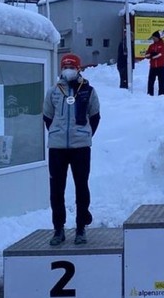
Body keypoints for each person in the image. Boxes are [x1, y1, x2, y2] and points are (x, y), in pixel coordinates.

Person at [43, 54, 101, 246]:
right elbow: (47, 117)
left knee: (81, 186)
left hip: (81, 147)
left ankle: (81, 227)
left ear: (78, 69)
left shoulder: (88, 90)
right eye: (65, 66)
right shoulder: (53, 91)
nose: (68, 69)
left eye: (72, 66)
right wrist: (57, 133)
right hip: (57, 147)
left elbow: (95, 116)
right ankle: (58, 229)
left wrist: (84, 134)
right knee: (57, 189)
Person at [145, 31, 164, 96]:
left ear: (157, 37)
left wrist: (153, 55)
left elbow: (161, 54)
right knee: (151, 81)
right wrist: (150, 55)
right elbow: (146, 55)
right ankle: (149, 94)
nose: (153, 39)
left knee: (161, 81)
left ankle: (161, 94)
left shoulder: (162, 45)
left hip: (161, 66)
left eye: (154, 37)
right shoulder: (151, 46)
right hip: (153, 66)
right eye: (153, 38)